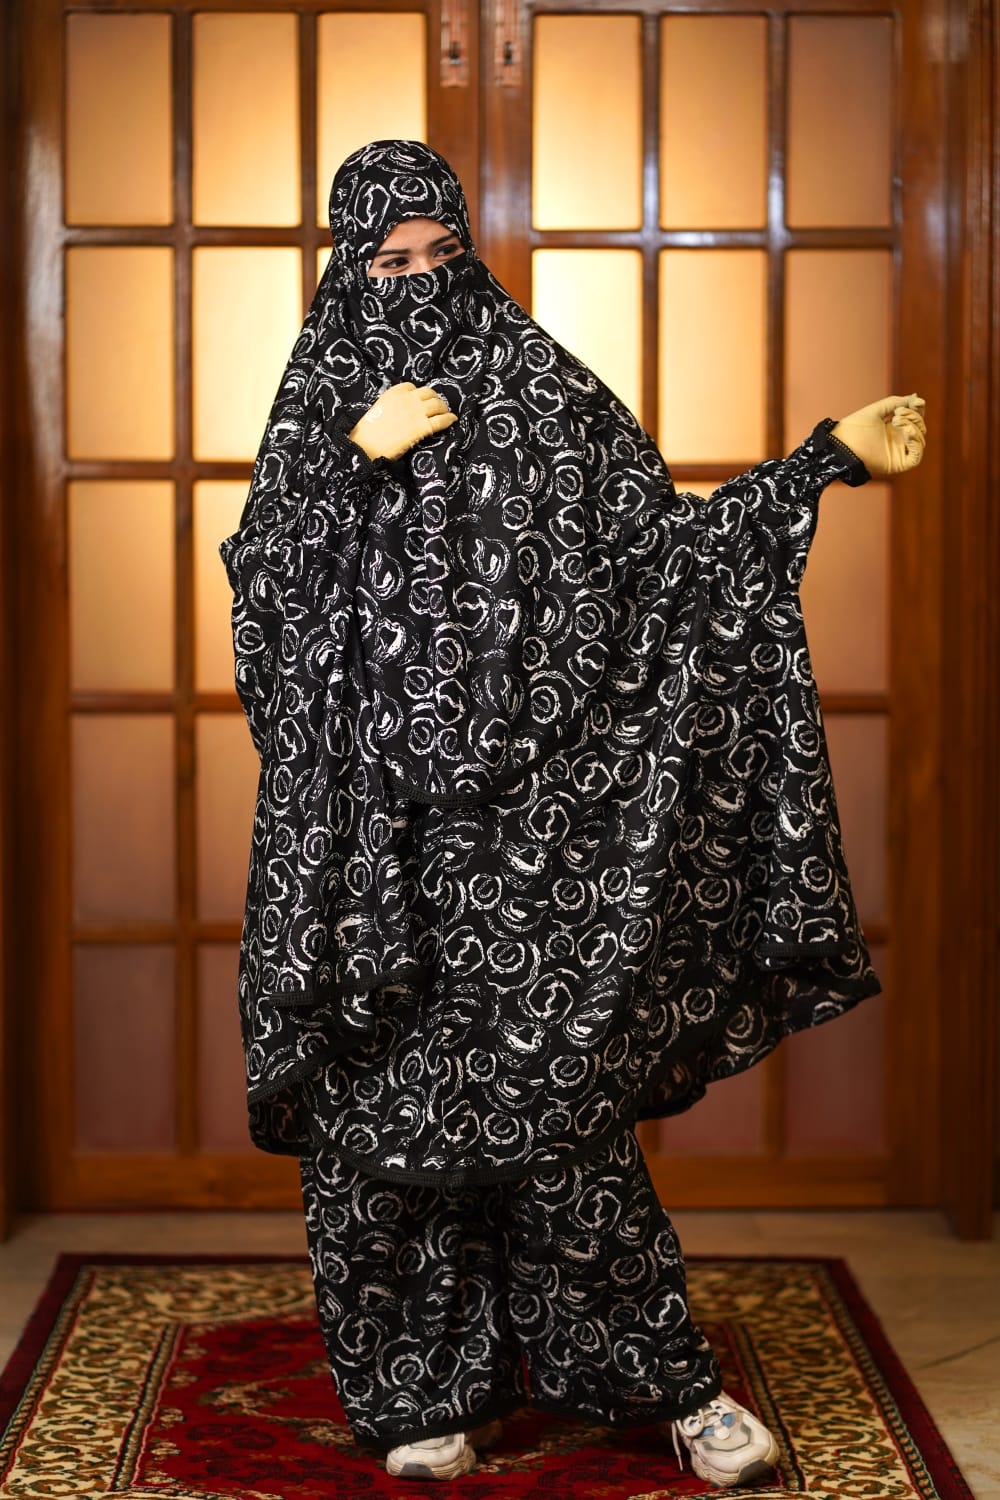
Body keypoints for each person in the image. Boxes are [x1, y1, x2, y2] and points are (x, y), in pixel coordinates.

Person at [219, 139, 926, 1487]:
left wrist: (820, 463)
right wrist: (353, 466)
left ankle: (661, 1381)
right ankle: (421, 1393)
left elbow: (665, 561)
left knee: (560, 1113)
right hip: (374, 840)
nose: (422, 280)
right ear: (348, 268)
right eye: (389, 262)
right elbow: (271, 611)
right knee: (385, 1121)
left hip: (542, 833)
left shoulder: (538, 389)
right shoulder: (322, 410)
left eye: (443, 252)